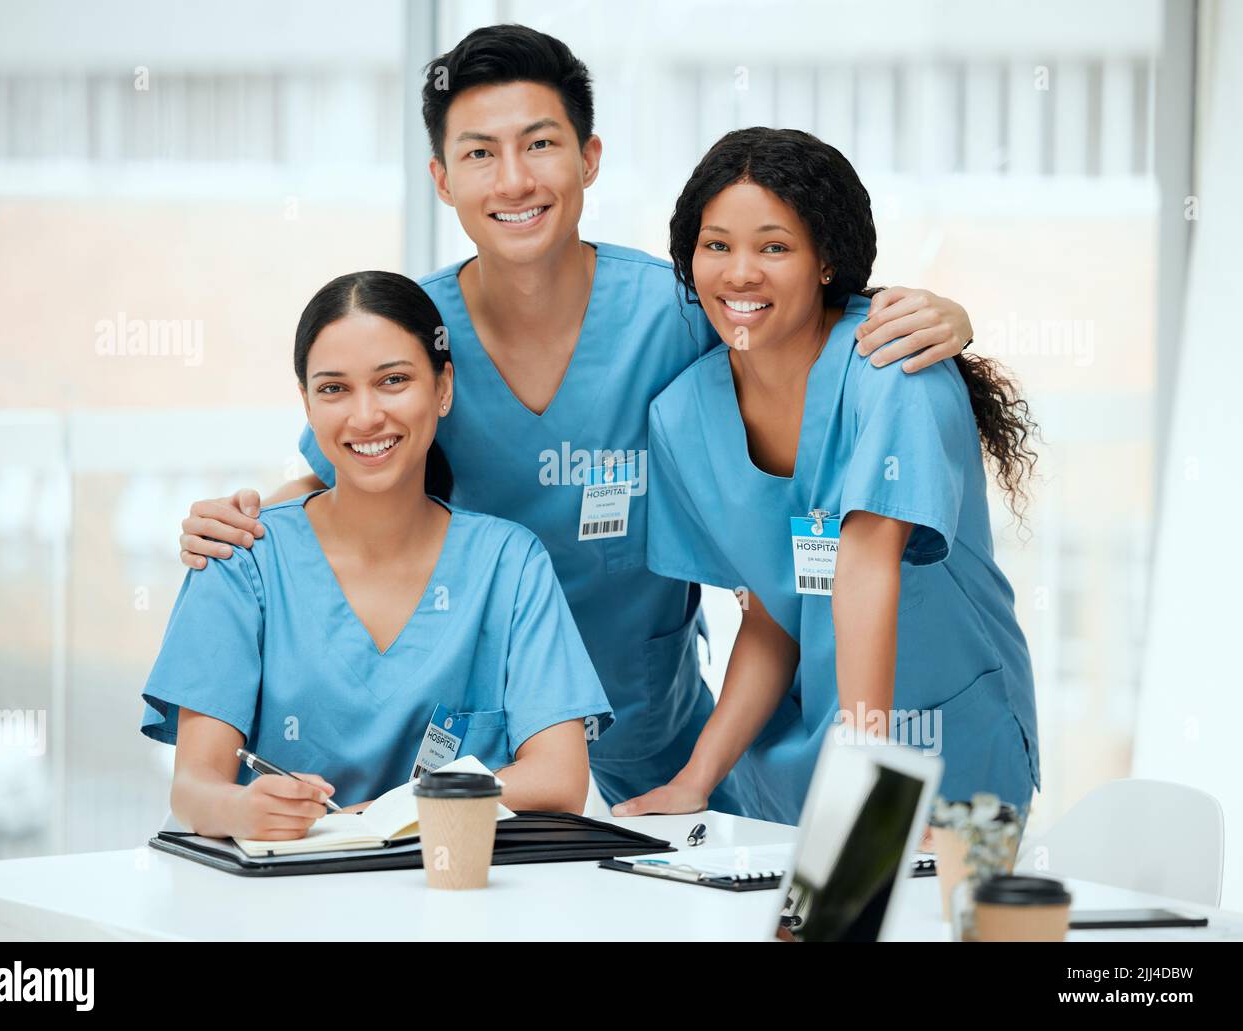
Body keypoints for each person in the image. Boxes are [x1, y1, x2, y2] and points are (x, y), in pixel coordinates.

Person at [172, 24, 978, 816]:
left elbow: (786, 312)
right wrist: (241, 522)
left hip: (652, 727)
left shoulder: (675, 309)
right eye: (480, 153)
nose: (514, 180)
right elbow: (344, 466)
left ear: (590, 158)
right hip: (484, 740)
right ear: (442, 178)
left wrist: (946, 316)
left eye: (541, 144)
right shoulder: (418, 333)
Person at [612, 128, 1040, 827]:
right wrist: (695, 777)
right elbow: (774, 618)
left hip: (943, 746)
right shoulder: (683, 415)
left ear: (825, 260)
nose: (740, 272)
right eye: (716, 244)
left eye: (774, 246)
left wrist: (866, 771)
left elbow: (867, 565)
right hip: (797, 777)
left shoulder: (891, 369)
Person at [141, 271, 611, 840]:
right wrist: (241, 809)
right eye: (334, 389)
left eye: (393, 381)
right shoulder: (242, 559)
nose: (365, 417)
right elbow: (193, 788)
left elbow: (560, 777)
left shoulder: (509, 565)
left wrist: (376, 815)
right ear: (308, 406)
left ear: (443, 389)